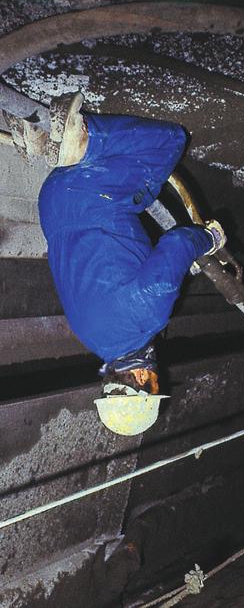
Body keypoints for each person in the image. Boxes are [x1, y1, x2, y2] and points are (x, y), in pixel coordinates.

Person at [2, 92, 226, 435]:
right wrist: (181, 267)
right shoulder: (91, 337)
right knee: (128, 200)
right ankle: (37, 139)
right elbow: (117, 277)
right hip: (52, 206)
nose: (157, 375)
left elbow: (179, 240)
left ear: (140, 378)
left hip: (93, 194)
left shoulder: (148, 317)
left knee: (169, 143)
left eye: (154, 382)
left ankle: (83, 139)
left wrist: (208, 241)